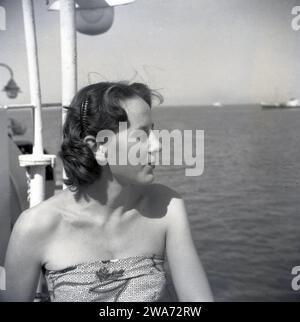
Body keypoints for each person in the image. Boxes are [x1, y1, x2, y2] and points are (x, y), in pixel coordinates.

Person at [2, 81, 213, 302]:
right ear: (97, 147)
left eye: (153, 131)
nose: (156, 145)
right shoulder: (35, 226)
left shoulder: (167, 206)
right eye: (141, 135)